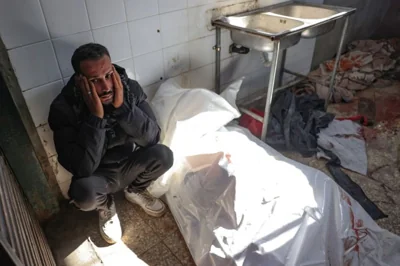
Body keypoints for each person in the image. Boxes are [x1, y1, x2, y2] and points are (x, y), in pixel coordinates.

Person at [48, 43, 173, 244]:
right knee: (83, 194)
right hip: (98, 174)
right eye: (94, 80)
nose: (106, 87)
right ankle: (105, 206)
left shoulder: (129, 88)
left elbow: (152, 139)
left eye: (108, 75)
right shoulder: (64, 107)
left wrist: (122, 108)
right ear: (80, 81)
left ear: (113, 69)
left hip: (130, 163)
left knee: (163, 155)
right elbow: (82, 168)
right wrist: (96, 118)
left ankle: (135, 190)